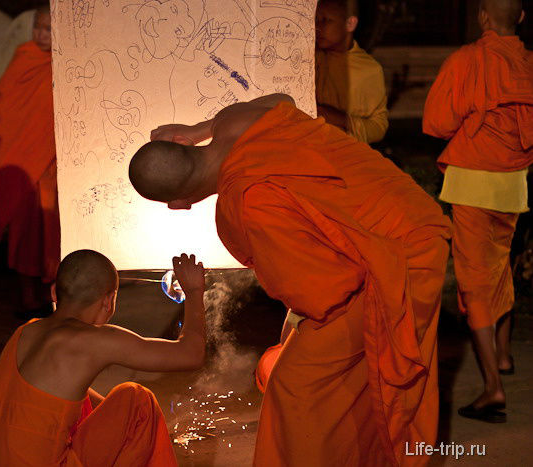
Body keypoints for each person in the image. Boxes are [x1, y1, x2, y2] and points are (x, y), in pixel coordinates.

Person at [129, 93, 451, 466]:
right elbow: (282, 100)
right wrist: (198, 128)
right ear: (183, 143)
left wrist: (298, 325)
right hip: (409, 215)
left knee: (296, 388)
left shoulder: (245, 203)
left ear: (178, 204)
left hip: (395, 258)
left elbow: (328, 291)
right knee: (326, 371)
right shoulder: (235, 120)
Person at [0, 250, 205, 466]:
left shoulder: (26, 330)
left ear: (53, 293)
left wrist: (114, 423)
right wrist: (194, 292)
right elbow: (191, 354)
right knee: (138, 400)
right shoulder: (94, 340)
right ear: (108, 301)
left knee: (85, 400)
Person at [423, 0, 532, 423]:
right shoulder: (528, 63)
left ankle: (492, 389)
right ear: (520, 17)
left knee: (473, 281)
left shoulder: (467, 59)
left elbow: (435, 123)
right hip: (514, 182)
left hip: (471, 181)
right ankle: (503, 355)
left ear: (483, 18)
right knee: (499, 266)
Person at [0, 5, 57, 319]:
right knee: (24, 228)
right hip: (24, 159)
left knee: (51, 228)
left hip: (53, 161)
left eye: (48, 29)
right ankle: (29, 298)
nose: (41, 35)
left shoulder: (67, 64)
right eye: (38, 28)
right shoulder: (25, 56)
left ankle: (55, 294)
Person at [315, 0, 388, 144]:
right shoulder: (307, 58)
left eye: (326, 20)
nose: (317, 27)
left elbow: (379, 127)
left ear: (350, 24)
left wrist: (341, 119)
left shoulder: (369, 70)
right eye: (316, 20)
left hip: (344, 150)